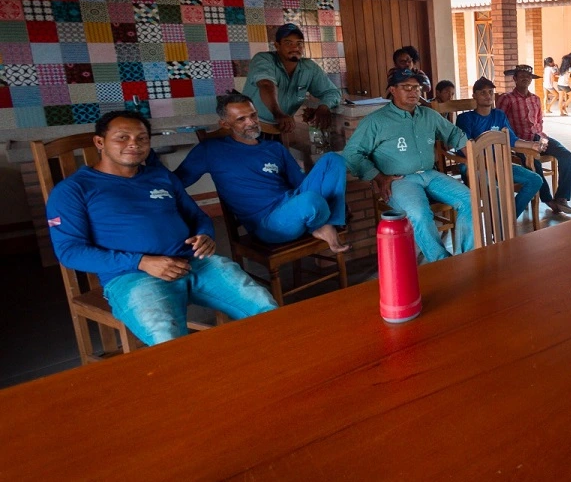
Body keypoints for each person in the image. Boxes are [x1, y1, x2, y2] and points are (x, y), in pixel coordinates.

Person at [45, 111, 277, 346]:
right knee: (167, 339)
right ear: (100, 142)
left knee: (266, 308)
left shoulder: (160, 176)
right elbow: (70, 252)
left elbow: (197, 216)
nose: (133, 144)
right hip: (134, 276)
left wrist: (205, 234)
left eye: (142, 138)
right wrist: (141, 262)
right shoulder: (73, 190)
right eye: (122, 137)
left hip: (196, 264)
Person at [174, 93, 348, 252]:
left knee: (334, 159)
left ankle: (326, 222)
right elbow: (174, 183)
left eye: (253, 115)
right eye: (241, 119)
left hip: (293, 204)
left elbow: (300, 184)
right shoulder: (210, 150)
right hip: (268, 223)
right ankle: (323, 224)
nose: (251, 122)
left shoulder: (274, 148)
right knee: (311, 201)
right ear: (225, 124)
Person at [344, 68, 473, 262]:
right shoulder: (376, 121)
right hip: (399, 180)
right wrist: (378, 177)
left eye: (417, 87)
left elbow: (455, 135)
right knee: (419, 213)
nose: (413, 92)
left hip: (430, 174)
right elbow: (352, 154)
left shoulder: (428, 115)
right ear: (392, 90)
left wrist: (474, 159)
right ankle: (442, 262)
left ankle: (467, 258)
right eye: (406, 87)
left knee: (469, 199)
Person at [454, 77, 544, 219]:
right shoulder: (465, 119)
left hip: (499, 163)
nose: (488, 95)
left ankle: (508, 220)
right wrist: (490, 164)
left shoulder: (499, 115)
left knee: (535, 180)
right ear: (474, 96)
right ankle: (502, 228)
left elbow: (511, 139)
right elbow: (467, 148)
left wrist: (532, 145)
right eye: (483, 92)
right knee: (495, 189)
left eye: (490, 92)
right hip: (473, 165)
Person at [496, 64, 571, 215]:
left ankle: (562, 197)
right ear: (514, 79)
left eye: (528, 77)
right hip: (520, 141)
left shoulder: (535, 99)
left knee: (566, 155)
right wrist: (515, 142)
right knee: (534, 163)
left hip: (538, 137)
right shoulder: (507, 99)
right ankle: (548, 199)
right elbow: (500, 122)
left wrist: (541, 141)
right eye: (521, 76)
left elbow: (539, 122)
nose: (525, 79)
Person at [243, 23, 341, 134]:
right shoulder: (264, 59)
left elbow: (332, 92)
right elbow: (266, 84)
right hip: (251, 126)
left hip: (282, 129)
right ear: (277, 45)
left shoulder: (309, 67)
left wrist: (324, 107)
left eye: (299, 43)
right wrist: (278, 114)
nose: (295, 47)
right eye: (288, 43)